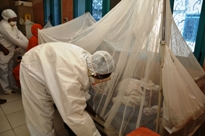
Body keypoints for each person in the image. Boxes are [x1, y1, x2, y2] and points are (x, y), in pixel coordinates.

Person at [20, 42, 115, 136]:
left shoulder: (90, 60)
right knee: (40, 113)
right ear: (95, 73)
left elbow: (81, 88)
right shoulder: (70, 79)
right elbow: (75, 116)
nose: (101, 82)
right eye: (101, 79)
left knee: (52, 104)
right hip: (32, 66)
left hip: (47, 58)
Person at [0, 9, 28, 94]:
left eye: (15, 19)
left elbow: (18, 33)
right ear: (6, 18)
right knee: (4, 70)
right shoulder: (4, 26)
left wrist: (27, 42)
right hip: (4, 50)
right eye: (13, 19)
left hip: (11, 49)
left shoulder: (11, 23)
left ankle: (12, 86)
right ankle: (6, 89)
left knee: (10, 68)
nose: (14, 21)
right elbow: (14, 39)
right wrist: (27, 46)